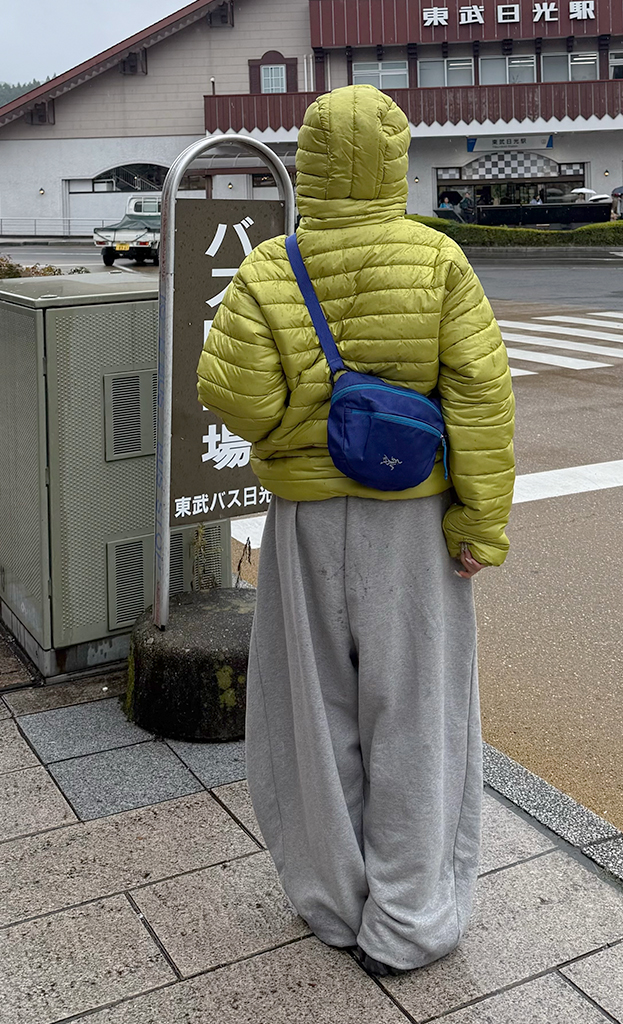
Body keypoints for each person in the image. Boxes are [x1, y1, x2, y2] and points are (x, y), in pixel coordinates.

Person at [197, 84, 514, 978]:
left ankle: (335, 904)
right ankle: (409, 920)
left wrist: (295, 425)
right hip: (413, 524)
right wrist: (480, 523)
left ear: (308, 164)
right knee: (418, 718)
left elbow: (233, 396)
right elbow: (482, 399)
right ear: (394, 165)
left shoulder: (272, 266)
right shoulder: (440, 260)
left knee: (311, 715)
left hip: (304, 523)